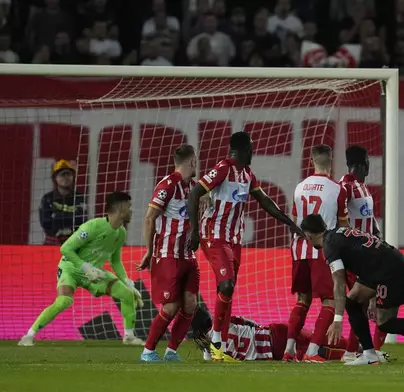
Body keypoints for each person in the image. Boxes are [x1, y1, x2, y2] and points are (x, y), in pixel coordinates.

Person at [188, 131, 303, 362]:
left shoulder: (247, 175)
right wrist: (193, 230)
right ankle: (217, 343)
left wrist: (289, 223)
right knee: (227, 285)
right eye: (251, 147)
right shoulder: (223, 168)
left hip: (234, 240)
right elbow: (194, 193)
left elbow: (265, 201)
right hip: (214, 236)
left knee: (226, 292)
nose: (253, 152)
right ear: (243, 149)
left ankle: (218, 348)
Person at [300, 214, 404, 366]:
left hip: (389, 270)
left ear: (308, 235)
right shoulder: (338, 233)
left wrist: (338, 320)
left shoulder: (329, 245)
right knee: (352, 301)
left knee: (385, 323)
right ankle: (369, 354)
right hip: (381, 267)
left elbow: (339, 282)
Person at [19, 192, 143, 346]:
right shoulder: (93, 227)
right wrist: (84, 266)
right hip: (71, 268)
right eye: (129, 207)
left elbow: (116, 261)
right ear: (120, 208)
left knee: (127, 294)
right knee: (64, 301)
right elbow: (66, 249)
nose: (131, 211)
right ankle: (29, 336)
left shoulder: (121, 233)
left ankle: (129, 336)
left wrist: (127, 281)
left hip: (94, 273)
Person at [284, 145, 349, 363]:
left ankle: (289, 350)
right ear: (331, 161)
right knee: (330, 300)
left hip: (299, 249)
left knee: (302, 300)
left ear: (311, 161)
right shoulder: (338, 189)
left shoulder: (299, 187)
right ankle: (312, 352)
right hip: (323, 251)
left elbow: (294, 221)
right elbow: (343, 225)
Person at [138, 145, 200, 362]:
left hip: (188, 257)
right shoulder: (168, 185)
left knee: (190, 303)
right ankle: (148, 350)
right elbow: (149, 218)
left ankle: (172, 351)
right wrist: (149, 250)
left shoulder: (194, 187)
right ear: (192, 161)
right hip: (167, 255)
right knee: (171, 306)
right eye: (196, 161)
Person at [339, 145, 387, 361]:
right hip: (354, 254)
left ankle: (359, 350)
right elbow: (338, 219)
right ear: (360, 163)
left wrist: (378, 236)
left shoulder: (363, 187)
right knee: (363, 301)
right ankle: (355, 351)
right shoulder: (345, 187)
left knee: (368, 302)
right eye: (367, 160)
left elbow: (368, 219)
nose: (370, 165)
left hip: (368, 254)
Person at [192, 306, 352, 362]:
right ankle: (354, 348)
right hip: (273, 331)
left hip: (273, 350)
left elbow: (210, 357)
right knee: (315, 339)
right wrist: (258, 329)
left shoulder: (214, 349)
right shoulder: (226, 321)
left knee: (310, 354)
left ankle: (344, 354)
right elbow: (247, 322)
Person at [39, 159, 87, 245]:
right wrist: (68, 219)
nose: (65, 177)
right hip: (52, 243)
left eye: (68, 174)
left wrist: (57, 216)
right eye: (62, 174)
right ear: (55, 178)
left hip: (76, 241)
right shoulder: (47, 198)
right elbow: (45, 222)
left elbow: (82, 221)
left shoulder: (80, 198)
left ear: (73, 177)